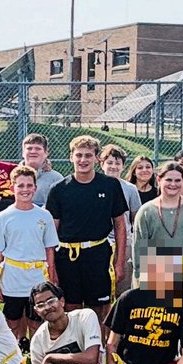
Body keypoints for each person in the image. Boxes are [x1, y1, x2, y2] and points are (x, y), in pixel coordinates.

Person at [46, 134, 129, 318]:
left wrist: (120, 262)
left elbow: (120, 225)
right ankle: (75, 346)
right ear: (71, 157)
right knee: (71, 308)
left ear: (97, 158)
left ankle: (97, 346)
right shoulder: (59, 189)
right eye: (79, 155)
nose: (83, 160)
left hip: (98, 254)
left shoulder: (110, 185)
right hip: (68, 257)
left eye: (88, 155)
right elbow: (51, 234)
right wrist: (51, 268)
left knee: (99, 309)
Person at [0, 164, 58, 341]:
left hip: (37, 276)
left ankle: (36, 355)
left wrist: (52, 276)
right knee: (12, 321)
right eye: (20, 185)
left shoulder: (44, 215)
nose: (25, 189)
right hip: (13, 278)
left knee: (36, 321)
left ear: (35, 187)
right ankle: (14, 353)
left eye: (29, 185)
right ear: (12, 188)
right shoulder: (4, 217)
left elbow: (50, 249)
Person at [131, 161, 183, 295]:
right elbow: (139, 250)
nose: (173, 184)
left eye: (177, 180)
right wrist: (138, 283)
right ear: (159, 180)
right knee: (165, 315)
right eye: (168, 180)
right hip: (159, 275)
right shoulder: (146, 211)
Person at [100, 144, 143, 293]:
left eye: (117, 163)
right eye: (109, 162)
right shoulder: (96, 185)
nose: (113, 166)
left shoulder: (130, 188)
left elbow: (135, 218)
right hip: (102, 241)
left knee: (123, 283)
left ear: (123, 166)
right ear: (102, 164)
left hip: (124, 242)